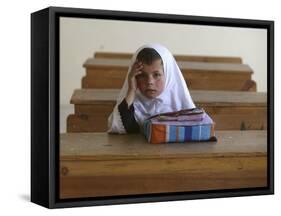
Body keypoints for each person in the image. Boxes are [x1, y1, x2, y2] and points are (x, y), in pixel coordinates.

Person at [107, 43, 195, 134]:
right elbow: (117, 128)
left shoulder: (181, 105)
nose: (150, 82)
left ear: (168, 75)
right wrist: (131, 90)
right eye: (142, 75)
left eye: (156, 75)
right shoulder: (132, 102)